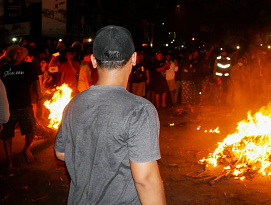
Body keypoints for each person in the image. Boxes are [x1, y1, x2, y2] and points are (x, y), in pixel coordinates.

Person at [54, 25, 166, 204]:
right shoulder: (139, 109)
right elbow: (145, 180)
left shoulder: (73, 104)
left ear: (93, 60)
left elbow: (61, 153)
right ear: (134, 58)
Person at [1, 44, 42, 167]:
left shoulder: (29, 66)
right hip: (8, 107)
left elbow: (35, 81)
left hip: (26, 106)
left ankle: (26, 149)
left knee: (31, 130)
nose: (19, 54)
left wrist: (39, 95)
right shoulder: (4, 68)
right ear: (10, 55)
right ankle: (9, 158)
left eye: (21, 52)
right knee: (7, 134)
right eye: (16, 52)